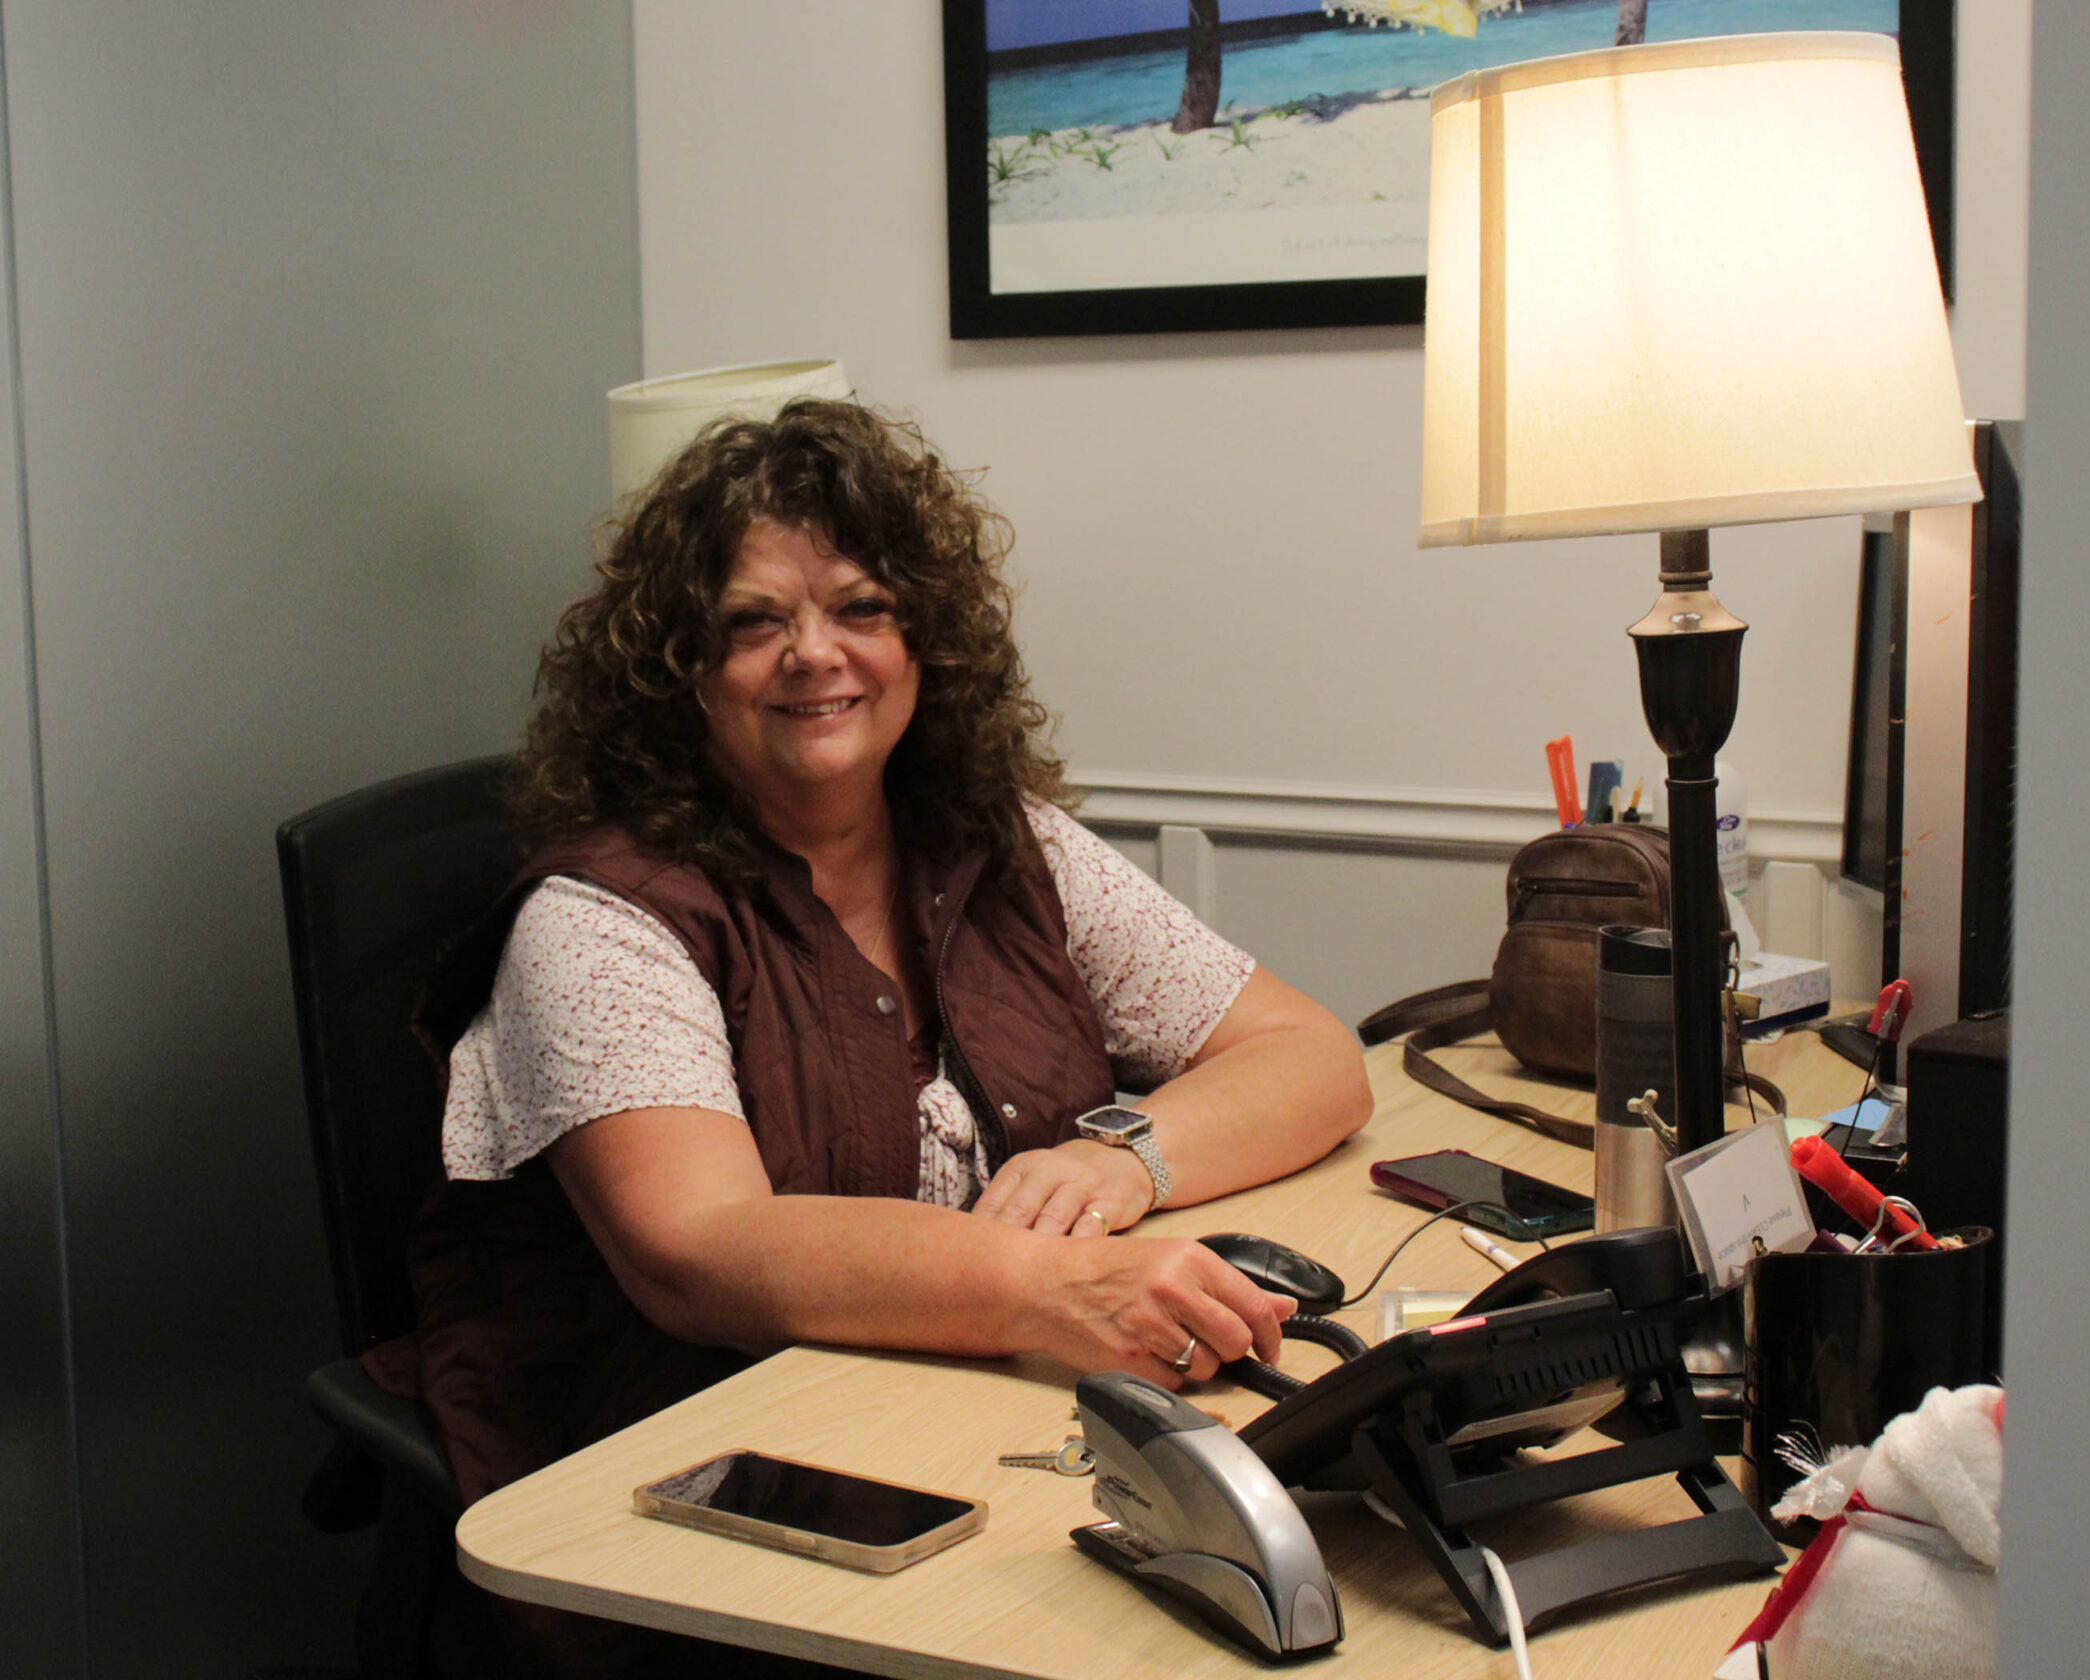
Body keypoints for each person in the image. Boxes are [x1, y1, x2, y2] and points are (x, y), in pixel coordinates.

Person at [372, 399, 1371, 1675]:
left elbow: (1309, 1055)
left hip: (949, 1417)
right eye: (753, 622)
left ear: (922, 642)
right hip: (699, 1490)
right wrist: (1064, 1286)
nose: (814, 655)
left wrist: (1126, 1157)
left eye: (861, 608)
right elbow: (702, 1248)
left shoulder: (999, 845)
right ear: (678, 667)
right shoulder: (599, 920)